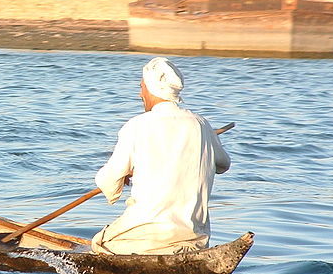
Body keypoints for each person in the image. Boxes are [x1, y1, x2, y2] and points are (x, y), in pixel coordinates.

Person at [91, 57, 230, 255]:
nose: (140, 94)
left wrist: (123, 177)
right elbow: (224, 163)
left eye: (141, 87)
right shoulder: (201, 124)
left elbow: (108, 179)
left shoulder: (136, 126)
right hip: (193, 239)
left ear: (150, 88)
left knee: (99, 245)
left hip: (145, 237)